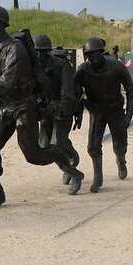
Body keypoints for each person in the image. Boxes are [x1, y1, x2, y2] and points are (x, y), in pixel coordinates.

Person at [0, 6, 84, 210]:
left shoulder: (16, 48)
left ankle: (72, 169)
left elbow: (6, 83)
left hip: (24, 107)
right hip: (7, 106)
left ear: (1, 24)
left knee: (34, 156)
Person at [73, 37, 133, 193]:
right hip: (96, 111)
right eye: (89, 54)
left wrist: (128, 116)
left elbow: (130, 91)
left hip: (115, 110)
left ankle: (121, 160)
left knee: (119, 145)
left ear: (101, 52)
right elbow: (73, 92)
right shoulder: (82, 70)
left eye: (95, 53)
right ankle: (98, 176)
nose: (93, 57)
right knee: (93, 146)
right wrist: (78, 105)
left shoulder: (116, 67)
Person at [32, 33, 80, 185]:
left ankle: (72, 163)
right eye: (35, 51)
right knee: (43, 145)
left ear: (48, 51)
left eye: (41, 51)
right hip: (45, 112)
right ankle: (69, 159)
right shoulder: (34, 68)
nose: (38, 54)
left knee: (56, 143)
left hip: (61, 111)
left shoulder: (62, 66)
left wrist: (60, 108)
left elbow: (68, 94)